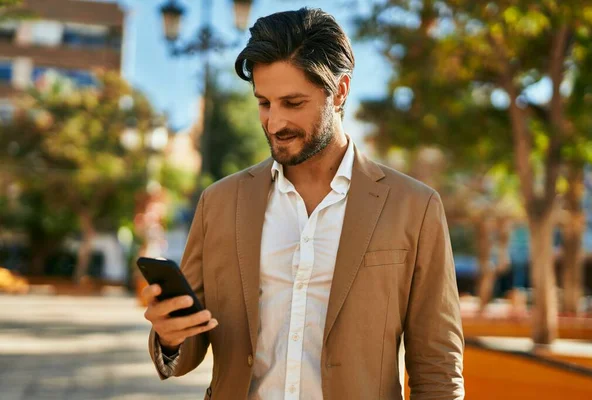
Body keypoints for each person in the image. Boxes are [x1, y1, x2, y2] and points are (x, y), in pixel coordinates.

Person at [143, 7, 464, 400]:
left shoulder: (414, 207)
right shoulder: (220, 203)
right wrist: (170, 337)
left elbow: (438, 367)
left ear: (340, 91)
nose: (275, 123)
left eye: (293, 103)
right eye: (264, 103)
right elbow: (189, 347)